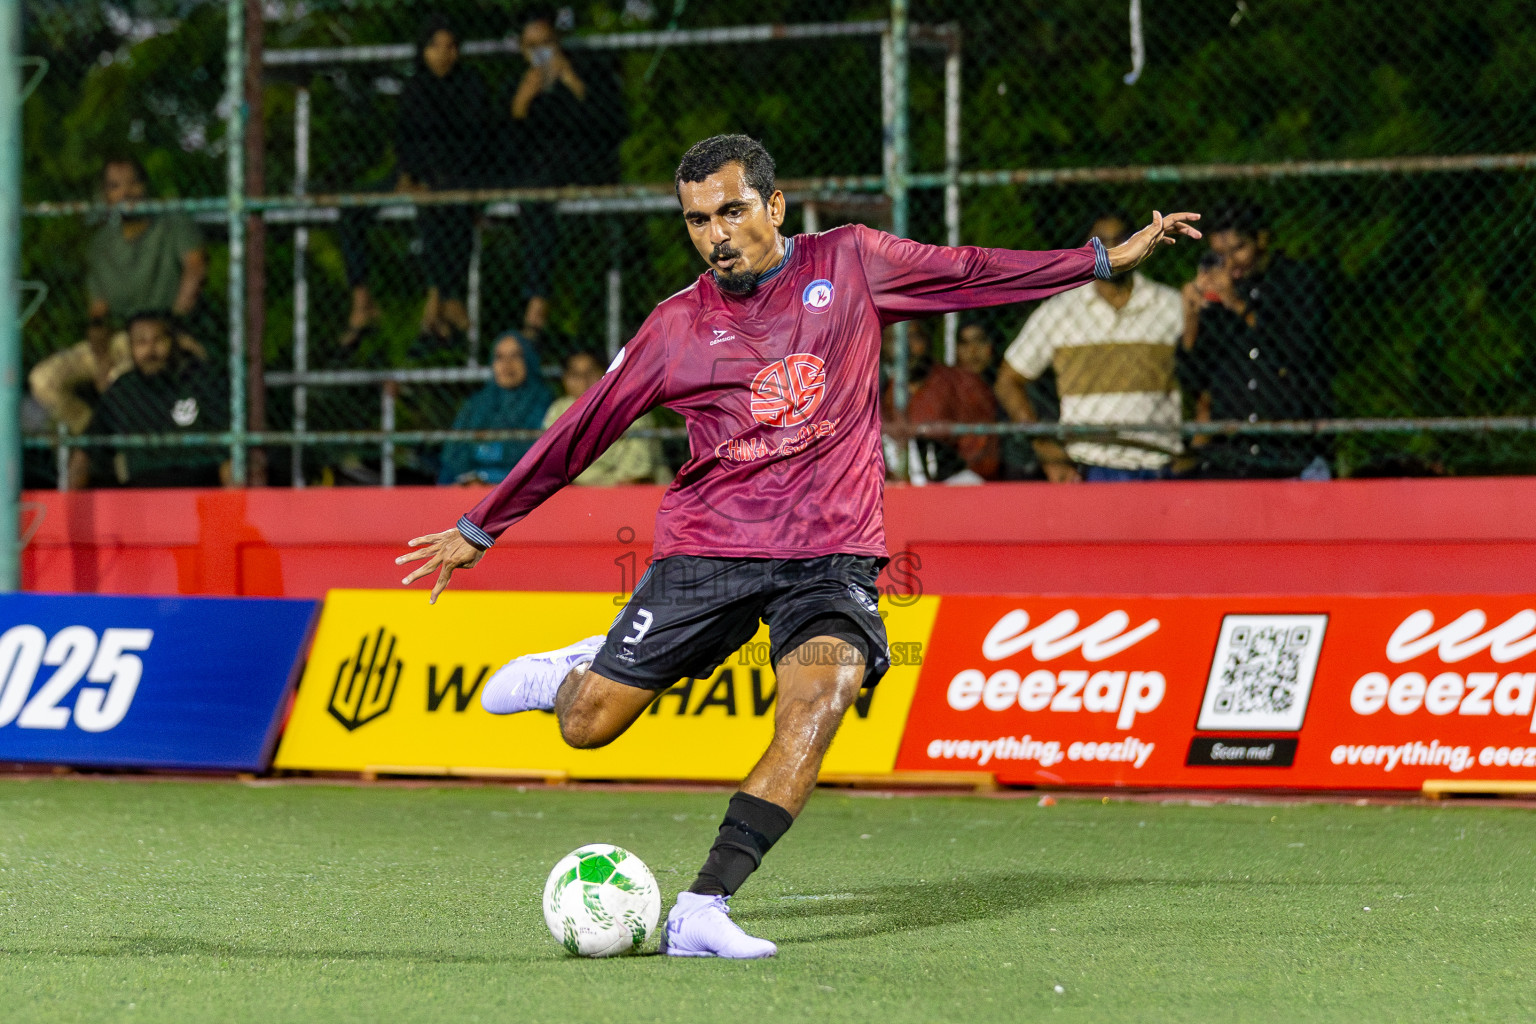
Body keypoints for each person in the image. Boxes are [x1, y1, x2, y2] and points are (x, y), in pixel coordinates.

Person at [395, 135, 1199, 958]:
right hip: (709, 551)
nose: (716, 234)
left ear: (774, 207)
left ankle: (702, 907)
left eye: (732, 211)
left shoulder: (851, 263)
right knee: (588, 727)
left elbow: (967, 271)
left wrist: (1099, 260)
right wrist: (478, 526)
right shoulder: (675, 327)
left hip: (829, 554)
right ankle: (576, 670)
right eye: (698, 220)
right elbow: (585, 427)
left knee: (822, 694)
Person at [995, 211, 1185, 482]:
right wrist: (1045, 449)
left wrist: (1197, 444)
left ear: (1137, 242)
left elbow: (1205, 374)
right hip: (1088, 464)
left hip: (1159, 461)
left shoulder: (1169, 305)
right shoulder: (1061, 310)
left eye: (1119, 239)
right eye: (1101, 241)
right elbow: (1008, 379)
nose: (1110, 249)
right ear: (1087, 248)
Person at [31, 157, 206, 434]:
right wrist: (101, 361)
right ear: (106, 196)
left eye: (133, 183)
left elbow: (195, 268)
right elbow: (98, 314)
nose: (125, 193)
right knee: (43, 379)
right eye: (114, 186)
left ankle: (127, 466)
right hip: (118, 340)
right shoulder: (101, 245)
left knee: (122, 383)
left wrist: (174, 325)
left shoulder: (173, 223)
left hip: (163, 336)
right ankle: (93, 435)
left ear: (146, 186)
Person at [1177, 201, 1332, 478]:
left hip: (1291, 454)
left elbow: (1298, 352)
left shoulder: (1296, 282)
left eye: (1238, 249)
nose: (1230, 262)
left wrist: (1238, 305)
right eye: (1220, 253)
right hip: (1230, 459)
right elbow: (1192, 378)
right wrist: (1191, 318)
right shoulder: (1217, 293)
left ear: (1261, 240)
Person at [505, 7, 627, 340]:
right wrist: (521, 105)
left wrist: (572, 82)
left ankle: (540, 302)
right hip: (537, 176)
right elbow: (504, 148)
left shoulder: (586, 72)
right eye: (532, 46)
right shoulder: (517, 83)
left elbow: (610, 127)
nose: (540, 53)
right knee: (534, 194)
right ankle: (537, 299)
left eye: (546, 43)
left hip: (584, 166)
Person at [396, 15, 491, 356]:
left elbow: (478, 141)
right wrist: (410, 175)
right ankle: (448, 305)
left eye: (450, 46)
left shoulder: (470, 85)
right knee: (432, 202)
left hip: (461, 178)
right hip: (426, 180)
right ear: (422, 50)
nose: (442, 54)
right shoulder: (414, 88)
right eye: (434, 46)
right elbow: (405, 141)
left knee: (447, 202)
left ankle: (438, 306)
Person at [71, 310, 230, 489]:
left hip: (199, 491)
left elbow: (230, 457)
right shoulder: (123, 391)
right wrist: (65, 509)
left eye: (159, 340)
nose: (150, 351)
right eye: (141, 343)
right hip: (142, 497)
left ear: (174, 342)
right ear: (130, 347)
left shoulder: (201, 382)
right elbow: (86, 451)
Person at [881, 322, 1001, 482]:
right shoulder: (879, 394)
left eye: (914, 337)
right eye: (895, 339)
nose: (906, 348)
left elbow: (984, 460)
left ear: (928, 340)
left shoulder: (963, 384)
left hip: (956, 488)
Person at [438, 331, 552, 485]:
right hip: (472, 488)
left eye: (516, 356)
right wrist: (469, 479)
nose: (507, 364)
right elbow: (454, 455)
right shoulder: (476, 404)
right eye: (500, 357)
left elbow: (542, 462)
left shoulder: (543, 403)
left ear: (529, 361)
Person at [543, 350, 666, 485]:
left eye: (591, 373)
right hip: (579, 494)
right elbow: (551, 468)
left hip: (631, 492)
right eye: (575, 375)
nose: (584, 381)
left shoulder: (630, 407)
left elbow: (637, 475)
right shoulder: (559, 410)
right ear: (565, 380)